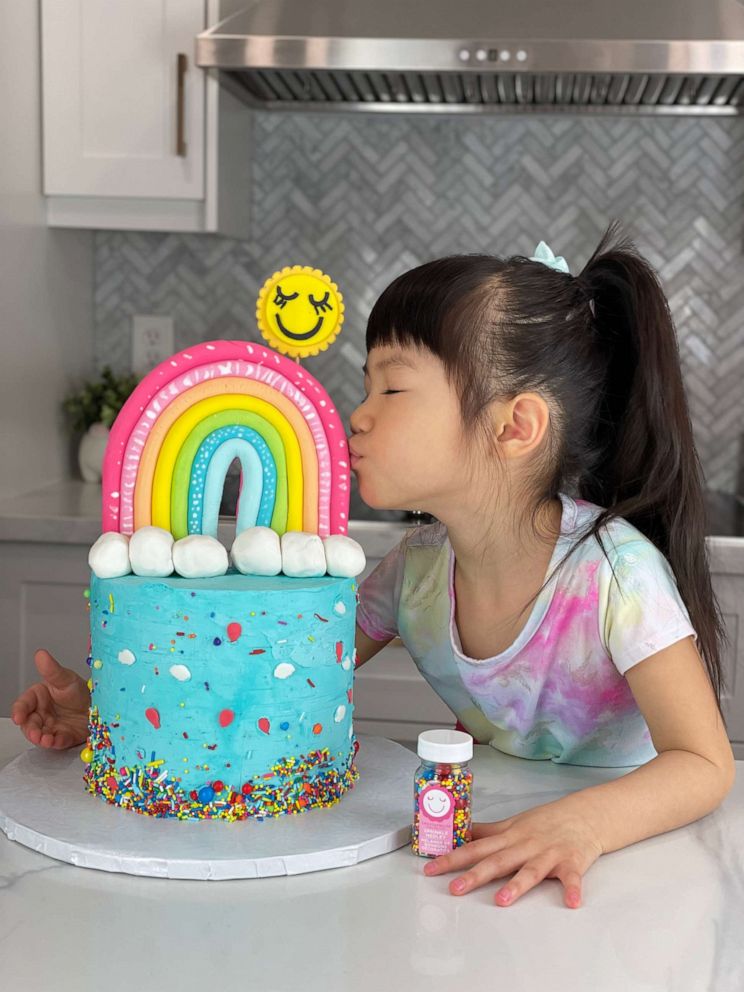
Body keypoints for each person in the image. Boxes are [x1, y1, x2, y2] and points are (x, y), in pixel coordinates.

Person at [12, 222, 736, 910]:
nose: (356, 415)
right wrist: (123, 720)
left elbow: (703, 764)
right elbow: (272, 680)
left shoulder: (614, 578)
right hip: (490, 844)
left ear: (514, 426)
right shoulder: (413, 574)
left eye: (392, 388)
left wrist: (584, 826)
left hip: (629, 860)